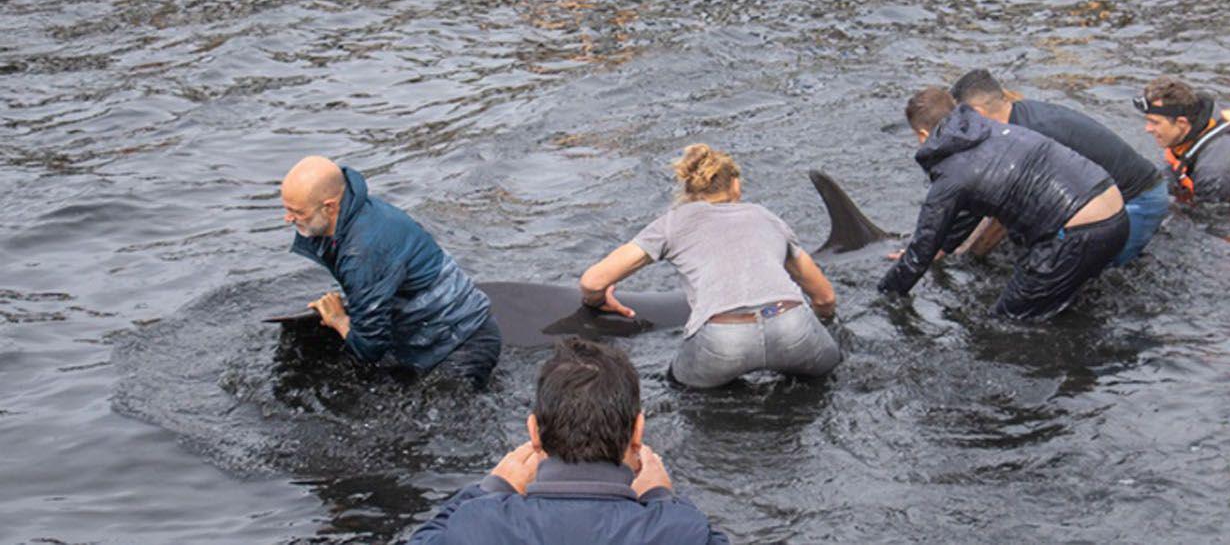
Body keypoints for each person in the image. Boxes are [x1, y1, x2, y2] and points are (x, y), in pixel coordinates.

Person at [407, 338, 730, 545]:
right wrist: (661, 497)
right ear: (637, 432)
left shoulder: (477, 524)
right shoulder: (681, 530)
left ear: (534, 432)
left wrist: (492, 488)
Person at [579, 144, 840, 389]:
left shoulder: (671, 224)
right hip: (791, 326)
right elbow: (825, 298)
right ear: (736, 185)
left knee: (679, 390)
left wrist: (597, 301)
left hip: (723, 340)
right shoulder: (767, 217)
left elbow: (592, 282)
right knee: (827, 379)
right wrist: (822, 326)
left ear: (688, 189)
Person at [879, 88, 1129, 320]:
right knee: (1062, 301)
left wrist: (885, 295)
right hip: (1115, 209)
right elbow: (971, 205)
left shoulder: (951, 175)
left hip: (1079, 233)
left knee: (1008, 320)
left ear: (923, 135)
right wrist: (942, 249)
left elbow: (921, 249)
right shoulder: (990, 128)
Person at [280, 156, 501, 389]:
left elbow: (371, 347)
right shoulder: (355, 207)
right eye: (286, 209)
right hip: (442, 328)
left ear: (330, 206)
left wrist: (339, 320)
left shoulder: (363, 252)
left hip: (462, 344)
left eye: (297, 212)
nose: (288, 219)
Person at [951, 69, 1168, 267]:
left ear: (978, 113)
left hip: (1138, 201)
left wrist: (970, 258)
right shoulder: (1021, 113)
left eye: (963, 120)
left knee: (1081, 273)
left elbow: (1004, 213)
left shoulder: (1025, 139)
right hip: (1122, 191)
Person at [1134, 76, 1230, 204]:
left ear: (1181, 123)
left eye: (1155, 122)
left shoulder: (1213, 168)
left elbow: (1207, 220)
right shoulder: (1198, 123)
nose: (1147, 129)